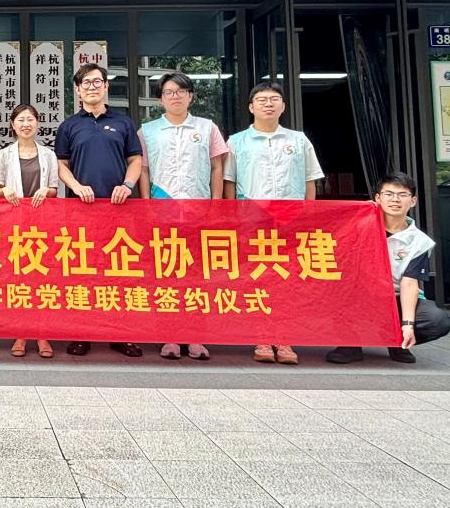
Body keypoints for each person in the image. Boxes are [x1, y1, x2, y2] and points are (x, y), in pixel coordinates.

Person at [224, 81, 324, 365]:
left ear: (283, 106)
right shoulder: (236, 142)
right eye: (262, 99)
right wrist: (235, 218)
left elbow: (310, 181)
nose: (268, 104)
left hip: (291, 222)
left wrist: (307, 216)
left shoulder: (299, 140)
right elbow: (229, 182)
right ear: (251, 107)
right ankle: (262, 337)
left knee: (288, 280)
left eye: (274, 99)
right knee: (258, 278)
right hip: (253, 223)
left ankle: (285, 338)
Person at [55, 62, 144, 358]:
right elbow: (61, 165)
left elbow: (135, 160)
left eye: (97, 82)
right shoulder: (69, 126)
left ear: (106, 86)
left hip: (120, 210)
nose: (92, 87)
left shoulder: (123, 123)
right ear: (77, 90)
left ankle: (120, 334)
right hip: (81, 211)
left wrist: (128, 185)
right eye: (86, 83)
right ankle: (83, 333)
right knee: (83, 272)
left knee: (119, 272)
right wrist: (76, 186)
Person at [138, 72, 227, 361]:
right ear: (160, 99)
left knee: (197, 275)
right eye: (168, 92)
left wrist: (216, 205)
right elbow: (144, 170)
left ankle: (196, 337)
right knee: (166, 274)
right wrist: (147, 206)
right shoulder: (147, 131)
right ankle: (170, 336)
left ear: (190, 96)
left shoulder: (207, 128)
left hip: (199, 211)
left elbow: (217, 168)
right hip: (163, 210)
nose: (175, 96)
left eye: (180, 91)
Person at [326, 172, 450, 364]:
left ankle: (397, 341)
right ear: (378, 198)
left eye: (402, 195)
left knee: (437, 319)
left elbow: (409, 283)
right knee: (335, 293)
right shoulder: (359, 227)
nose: (395, 200)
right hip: (360, 296)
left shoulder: (419, 242)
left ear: (413, 201)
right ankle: (350, 344)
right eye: (389, 194)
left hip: (396, 298)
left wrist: (407, 325)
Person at [0, 103, 58, 359]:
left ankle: (42, 334)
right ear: (13, 124)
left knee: (41, 278)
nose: (25, 124)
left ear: (37, 123)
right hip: (15, 224)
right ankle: (20, 333)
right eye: (20, 120)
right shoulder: (5, 154)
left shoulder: (48, 155)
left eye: (30, 119)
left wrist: (46, 191)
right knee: (18, 278)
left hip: (42, 224)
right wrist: (5, 190)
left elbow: (54, 188)